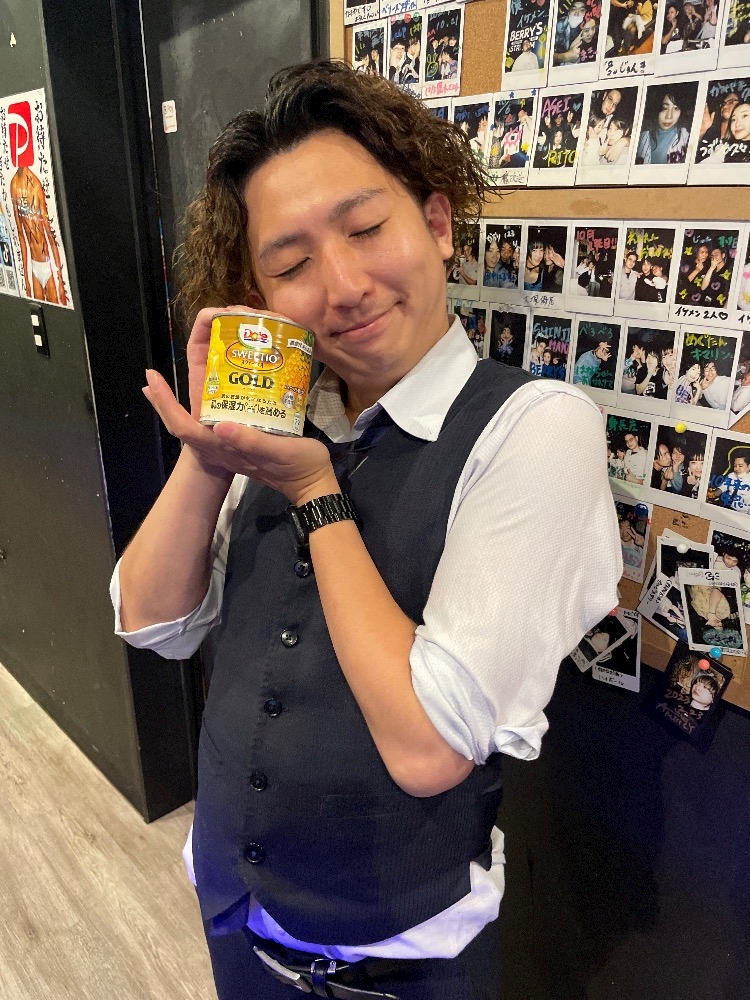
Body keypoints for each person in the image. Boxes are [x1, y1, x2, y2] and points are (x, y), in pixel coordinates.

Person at [110, 61, 621, 1000]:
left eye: (366, 228)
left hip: (399, 964)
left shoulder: (535, 429)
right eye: (291, 266)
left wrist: (316, 491)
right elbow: (151, 623)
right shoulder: (279, 420)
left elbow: (429, 751)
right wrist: (208, 452)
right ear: (261, 296)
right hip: (235, 915)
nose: (342, 286)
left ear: (437, 223)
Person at [10, 164, 68, 305]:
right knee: (37, 311)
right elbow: (20, 234)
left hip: (48, 265)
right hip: (34, 266)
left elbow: (49, 233)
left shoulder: (35, 184)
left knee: (56, 309)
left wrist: (60, 279)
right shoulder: (14, 185)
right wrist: (26, 278)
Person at [636, 90, 691, 165]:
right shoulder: (642, 136)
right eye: (665, 108)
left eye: (676, 108)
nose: (669, 116)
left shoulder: (686, 135)